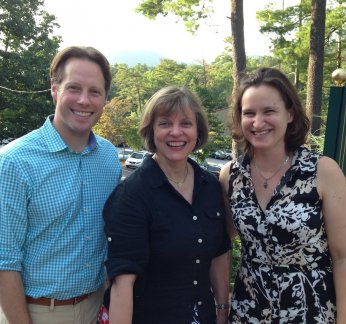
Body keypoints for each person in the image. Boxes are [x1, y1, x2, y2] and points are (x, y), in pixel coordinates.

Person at [0, 46, 122, 324]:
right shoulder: (13, 163)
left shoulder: (108, 158)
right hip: (36, 312)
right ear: (54, 89)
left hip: (96, 307)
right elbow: (4, 261)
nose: (84, 100)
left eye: (95, 91)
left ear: (104, 98)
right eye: (73, 88)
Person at [220, 67, 346, 323]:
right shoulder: (231, 176)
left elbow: (344, 256)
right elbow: (221, 246)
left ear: (290, 113)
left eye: (269, 111)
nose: (258, 122)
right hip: (248, 312)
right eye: (249, 113)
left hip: (311, 312)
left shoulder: (322, 171)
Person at [103, 85, 231, 324]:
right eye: (164, 124)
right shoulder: (131, 195)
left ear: (197, 130)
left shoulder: (210, 187)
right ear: (151, 131)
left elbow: (219, 254)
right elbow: (122, 284)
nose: (176, 132)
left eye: (185, 123)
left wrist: (222, 310)